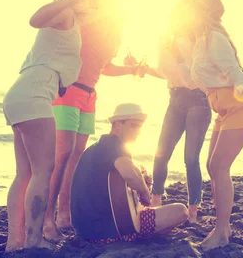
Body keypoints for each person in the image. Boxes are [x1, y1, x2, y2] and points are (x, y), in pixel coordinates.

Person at [42, 0, 151, 242]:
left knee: (75, 158)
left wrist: (132, 68)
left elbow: (105, 66)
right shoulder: (87, 20)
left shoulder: (114, 34)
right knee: (62, 155)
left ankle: (65, 214)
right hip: (68, 91)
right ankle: (47, 220)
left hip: (90, 95)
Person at [2, 0, 103, 251]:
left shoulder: (72, 24)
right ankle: (34, 241)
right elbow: (35, 18)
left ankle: (15, 242)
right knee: (43, 171)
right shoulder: (65, 14)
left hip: (21, 94)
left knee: (24, 173)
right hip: (34, 96)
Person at [189, 0, 243, 251]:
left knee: (219, 166)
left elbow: (233, 71)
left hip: (239, 107)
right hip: (223, 109)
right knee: (212, 166)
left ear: (202, 12)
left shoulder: (214, 38)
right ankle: (220, 225)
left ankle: (221, 230)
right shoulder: (200, 41)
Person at [70, 103, 189, 243]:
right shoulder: (115, 145)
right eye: (133, 126)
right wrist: (145, 192)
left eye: (139, 127)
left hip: (84, 229)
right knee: (181, 211)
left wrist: (139, 184)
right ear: (118, 125)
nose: (137, 131)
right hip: (107, 231)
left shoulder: (97, 147)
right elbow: (130, 174)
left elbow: (115, 187)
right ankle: (139, 234)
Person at [149, 0, 212, 224]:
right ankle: (156, 200)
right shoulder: (164, 39)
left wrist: (178, 54)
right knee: (161, 153)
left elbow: (197, 74)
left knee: (190, 158)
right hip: (174, 98)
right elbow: (167, 72)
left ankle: (193, 208)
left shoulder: (197, 38)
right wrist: (143, 67)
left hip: (198, 99)